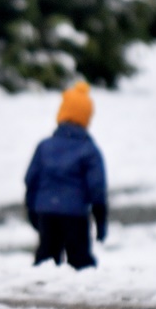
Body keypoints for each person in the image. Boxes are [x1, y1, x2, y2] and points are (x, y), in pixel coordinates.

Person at [24, 80, 108, 270]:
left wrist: (32, 209)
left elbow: (31, 180)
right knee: (80, 261)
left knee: (46, 259)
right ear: (86, 118)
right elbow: (97, 187)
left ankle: (40, 293)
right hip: (75, 215)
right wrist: (100, 220)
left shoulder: (44, 146)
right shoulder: (89, 149)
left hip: (46, 212)